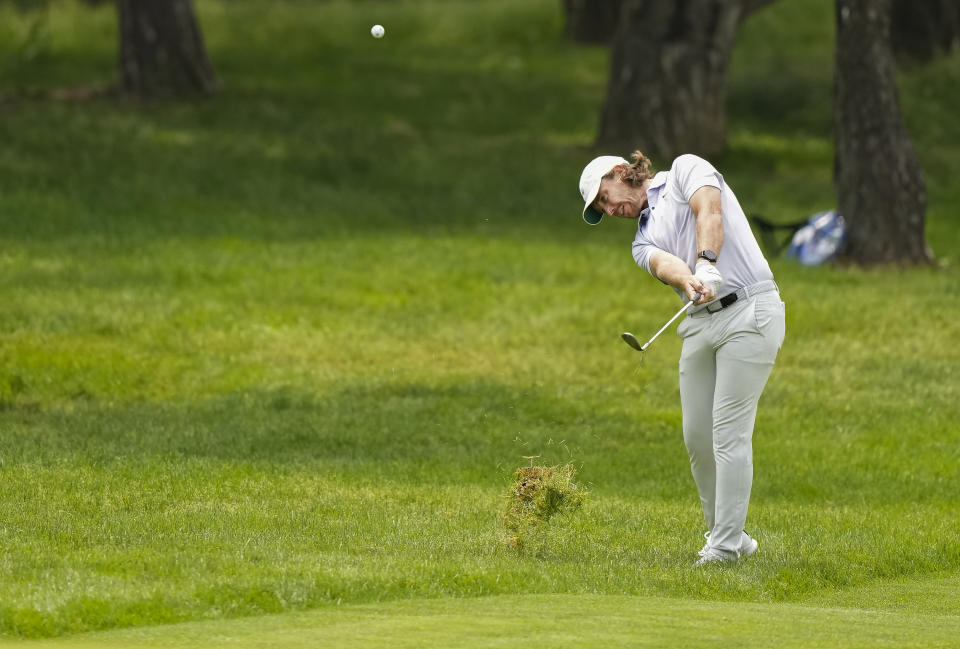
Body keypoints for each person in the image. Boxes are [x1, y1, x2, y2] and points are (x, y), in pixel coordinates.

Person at [577, 151, 786, 566]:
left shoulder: (685, 170)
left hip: (750, 309)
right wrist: (690, 277)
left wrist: (707, 262)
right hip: (700, 321)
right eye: (601, 208)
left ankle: (723, 549)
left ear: (620, 173)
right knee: (697, 436)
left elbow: (708, 208)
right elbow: (665, 263)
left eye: (605, 197)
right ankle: (730, 534)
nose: (610, 210)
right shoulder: (641, 239)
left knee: (729, 433)